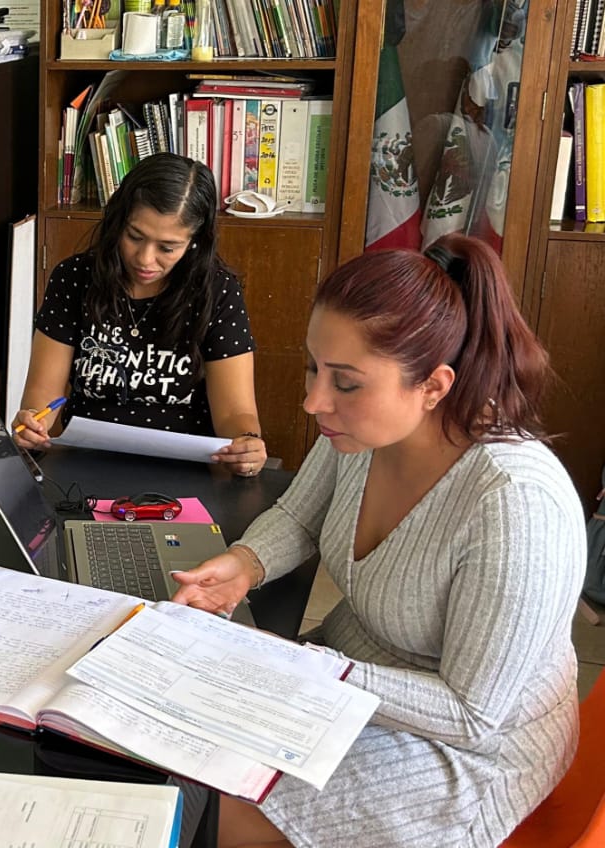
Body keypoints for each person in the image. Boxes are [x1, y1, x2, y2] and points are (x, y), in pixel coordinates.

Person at [172, 235, 583, 848]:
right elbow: (300, 517)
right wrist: (243, 564)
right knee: (179, 744)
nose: (314, 401)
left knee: (207, 813)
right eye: (315, 367)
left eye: (346, 382)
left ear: (435, 387)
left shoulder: (514, 502)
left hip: (467, 751)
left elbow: (472, 715)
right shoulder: (362, 433)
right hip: (352, 680)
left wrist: (311, 672)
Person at [14, 152, 266, 476]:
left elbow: (235, 413)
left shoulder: (217, 292)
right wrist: (33, 424)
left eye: (167, 247)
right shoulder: (74, 278)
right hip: (85, 464)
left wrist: (247, 443)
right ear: (118, 221)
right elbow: (43, 397)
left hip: (183, 471)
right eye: (135, 237)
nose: (145, 259)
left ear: (194, 242)